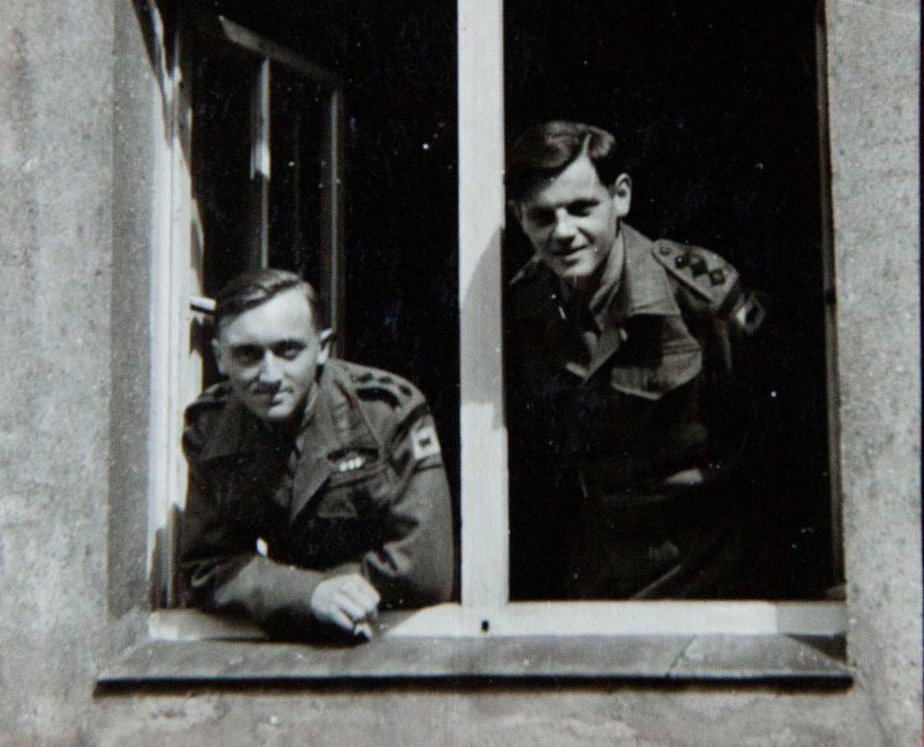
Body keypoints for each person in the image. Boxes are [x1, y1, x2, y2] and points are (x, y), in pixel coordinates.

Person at [504, 121, 767, 600]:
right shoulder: (525, 303)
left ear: (620, 197)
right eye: (543, 216)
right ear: (518, 217)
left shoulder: (699, 295)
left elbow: (778, 434)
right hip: (595, 564)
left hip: (705, 567)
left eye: (582, 209)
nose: (564, 232)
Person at [179, 269, 454, 640]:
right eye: (248, 355)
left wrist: (326, 593)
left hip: (391, 637)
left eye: (288, 350)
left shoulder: (384, 413)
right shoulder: (210, 430)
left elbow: (424, 568)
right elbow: (205, 565)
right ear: (220, 359)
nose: (270, 375)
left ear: (323, 347)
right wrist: (307, 595)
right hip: (281, 644)